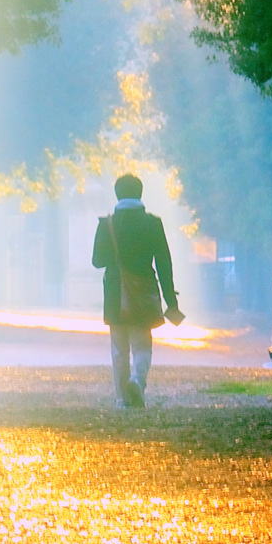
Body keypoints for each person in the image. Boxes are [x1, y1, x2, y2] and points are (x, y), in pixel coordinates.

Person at [91, 173, 180, 408]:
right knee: (142, 345)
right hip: (143, 292)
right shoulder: (152, 223)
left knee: (119, 349)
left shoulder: (106, 224)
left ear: (117, 194)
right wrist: (171, 301)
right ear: (140, 193)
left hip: (114, 292)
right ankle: (137, 380)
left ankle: (122, 399)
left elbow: (97, 261)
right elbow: (164, 263)